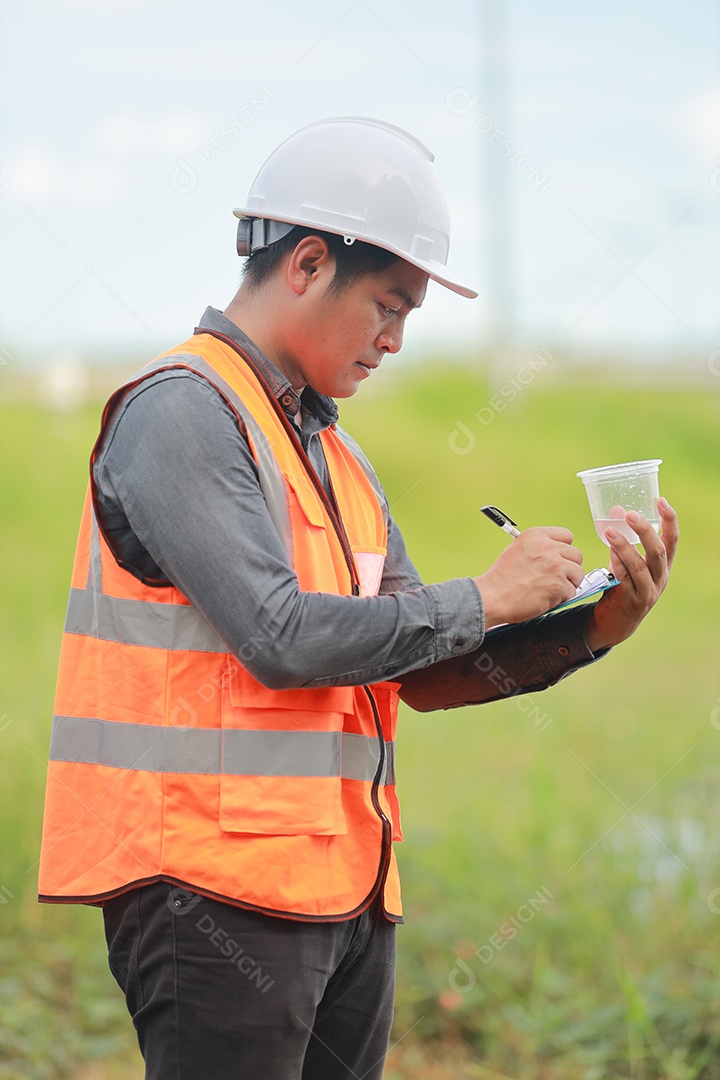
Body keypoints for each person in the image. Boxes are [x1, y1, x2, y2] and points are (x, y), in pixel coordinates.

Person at [38, 117, 677, 1080]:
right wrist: (487, 595)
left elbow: (422, 673)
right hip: (210, 895)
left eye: (410, 317)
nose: (395, 340)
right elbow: (280, 636)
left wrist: (602, 620)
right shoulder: (181, 409)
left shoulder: (335, 453)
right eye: (389, 305)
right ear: (304, 264)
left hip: (344, 889)